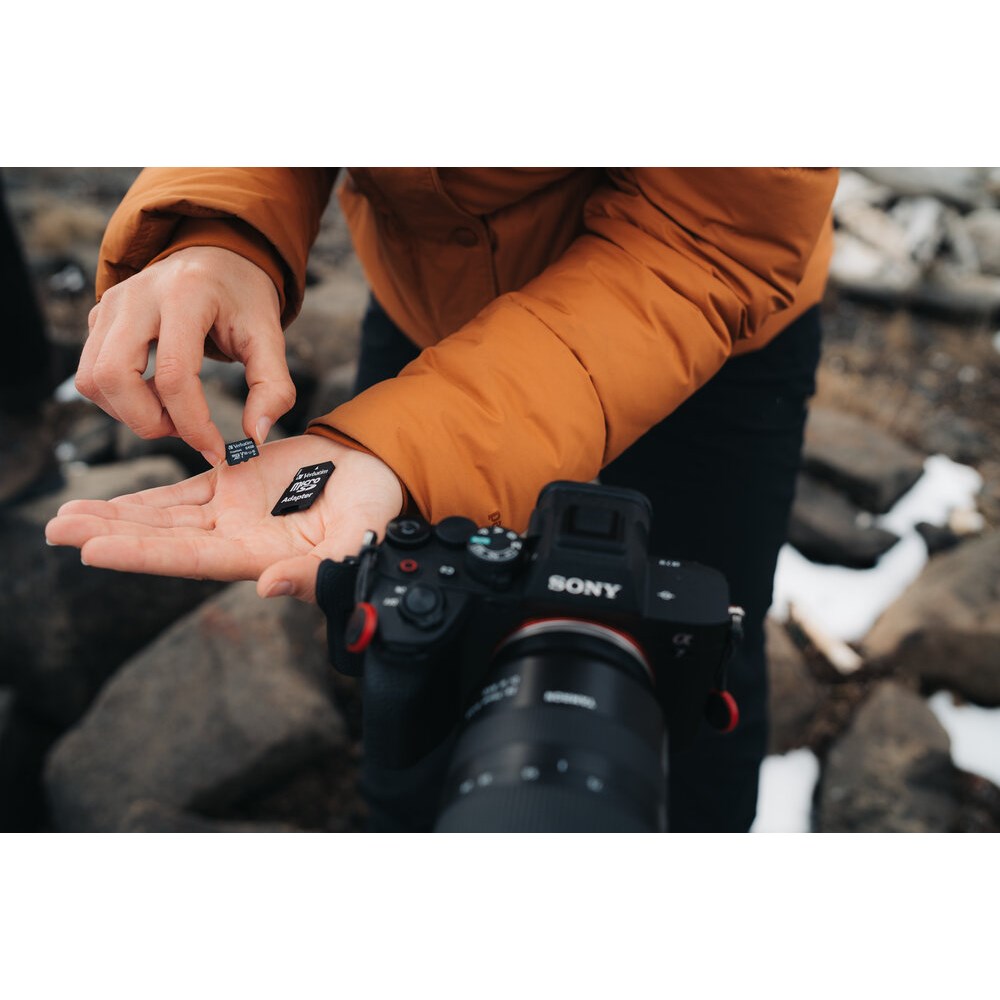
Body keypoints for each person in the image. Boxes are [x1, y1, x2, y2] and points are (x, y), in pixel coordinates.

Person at [45, 167, 838, 831]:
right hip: (435, 303)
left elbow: (714, 228)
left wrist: (409, 449)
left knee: (696, 658)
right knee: (412, 638)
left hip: (699, 317)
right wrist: (220, 230)